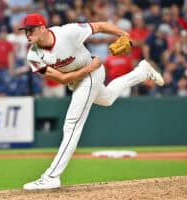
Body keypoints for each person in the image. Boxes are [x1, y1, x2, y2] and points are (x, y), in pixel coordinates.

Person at [20, 13, 164, 190]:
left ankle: (51, 176)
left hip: (91, 74)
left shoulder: (68, 32)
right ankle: (142, 72)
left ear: (43, 28)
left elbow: (100, 26)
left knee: (72, 124)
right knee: (108, 98)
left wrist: (123, 35)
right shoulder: (33, 56)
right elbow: (62, 79)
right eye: (25, 30)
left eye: (31, 29)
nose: (27, 33)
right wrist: (90, 67)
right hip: (84, 73)